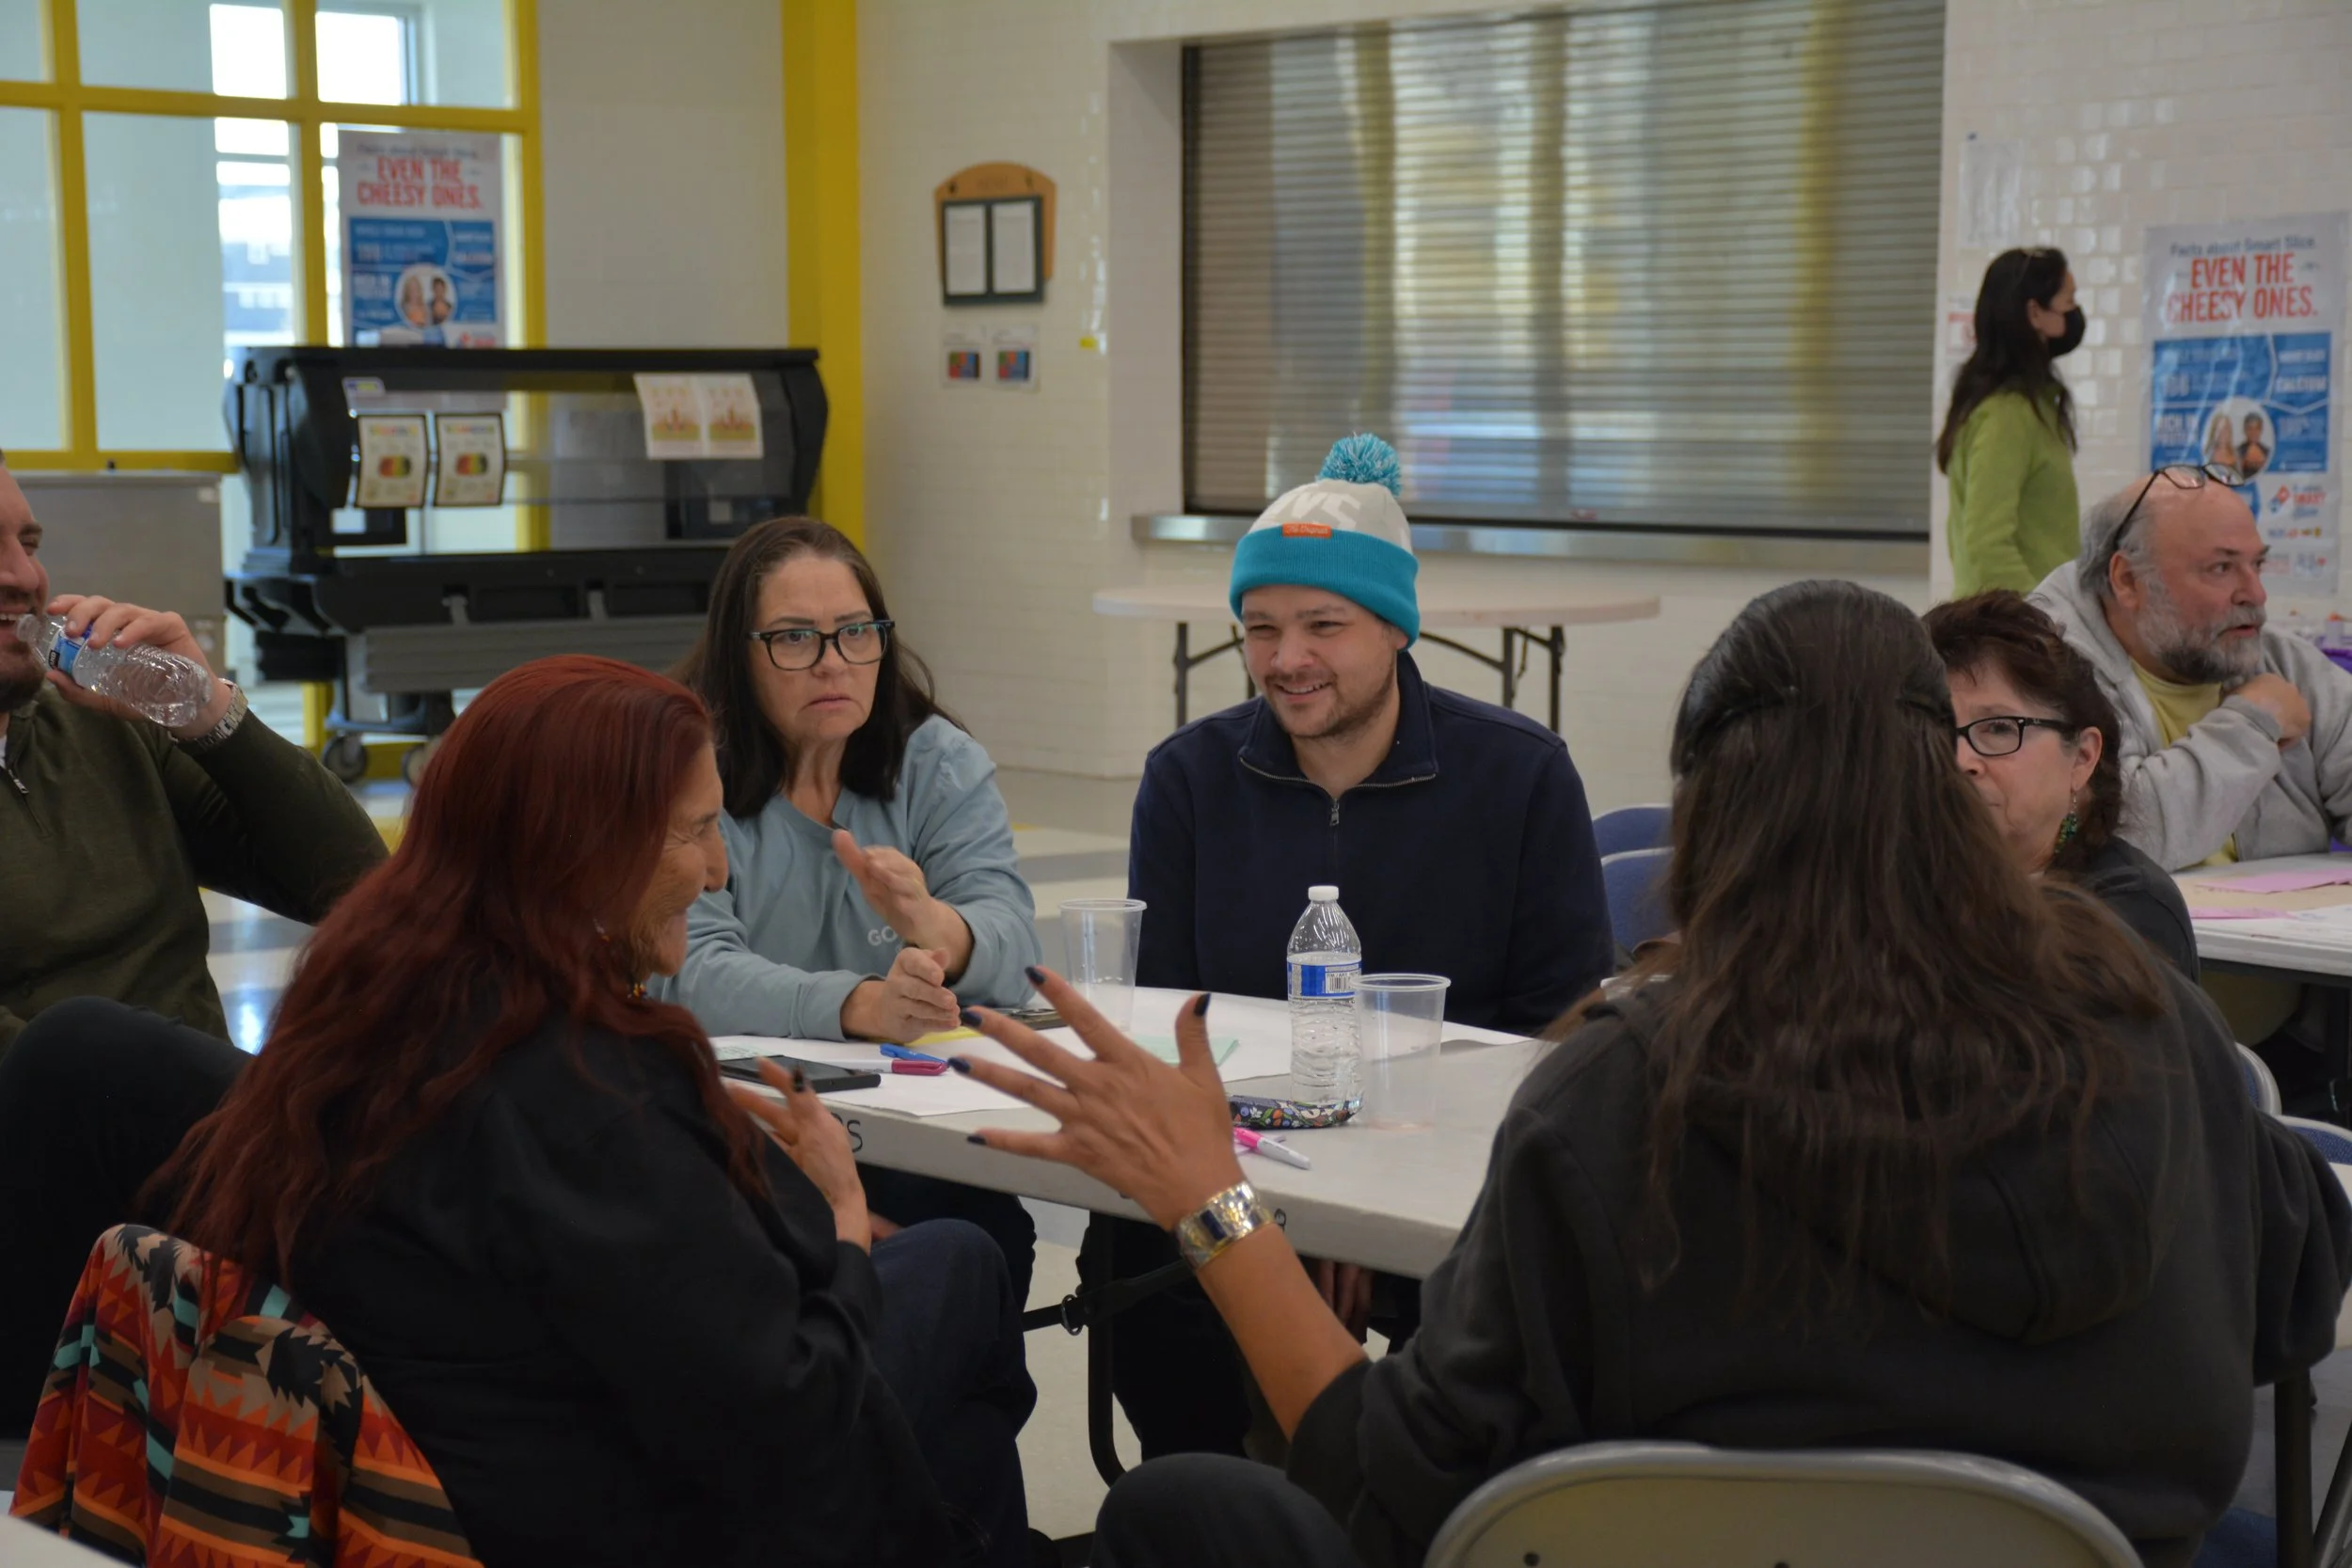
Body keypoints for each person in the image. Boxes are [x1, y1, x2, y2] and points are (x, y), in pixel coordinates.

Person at [955, 578, 2352, 1568]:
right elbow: (2295, 1294)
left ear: (1711, 817)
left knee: (1185, 1510)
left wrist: (1214, 1201)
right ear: (1946, 779)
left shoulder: (1622, 1094)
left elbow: (1395, 1484)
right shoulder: (2148, 1030)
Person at [160, 657, 1038, 1568]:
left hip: (431, 1486)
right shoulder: (585, 1086)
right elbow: (784, 1413)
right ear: (584, 845)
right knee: (964, 1271)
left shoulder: (364, 1002)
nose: (717, 869)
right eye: (695, 830)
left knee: (952, 1392)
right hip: (614, 1512)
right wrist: (845, 1223)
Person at [1108, 433, 1613, 1459]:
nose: (1286, 659)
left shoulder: (1518, 778)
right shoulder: (1188, 782)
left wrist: (1365, 1199)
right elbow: (1171, 1036)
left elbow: (1561, 1042)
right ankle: (1209, 1504)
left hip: (1455, 1179)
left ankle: (1411, 1513)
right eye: (1260, 628)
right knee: (1132, 1250)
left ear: (1394, 628)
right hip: (1251, 1165)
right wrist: (1287, 1209)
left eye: (1322, 625)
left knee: (1522, 1308)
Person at [0, 452, 385, 1436]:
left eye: (30, 542)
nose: (25, 578)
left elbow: (355, 886)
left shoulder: (96, 725)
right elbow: (42, 1078)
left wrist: (211, 714)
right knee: (81, 1044)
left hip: (220, 1165)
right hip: (62, 1194)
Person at [663, 517, 1041, 1295]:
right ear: (741, 653)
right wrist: (865, 1003)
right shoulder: (690, 770)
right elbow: (694, 973)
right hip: (741, 1132)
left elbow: (1014, 943)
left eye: (855, 633)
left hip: (918, 1132)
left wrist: (940, 929)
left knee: (990, 1235)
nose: (833, 663)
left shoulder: (935, 760)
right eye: (796, 638)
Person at [2030, 466, 2352, 872]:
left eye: (2257, 565)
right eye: (2221, 568)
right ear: (2128, 580)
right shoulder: (2043, 676)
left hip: (2296, 933)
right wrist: (2252, 725)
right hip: (2120, 934)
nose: (2255, 593)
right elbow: (2116, 837)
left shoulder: (2285, 665)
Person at [1926, 590, 2197, 976]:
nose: (1960, 760)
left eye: (2000, 729)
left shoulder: (2130, 910)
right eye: (1938, 728)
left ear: (2082, 758)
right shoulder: (1905, 880)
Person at [1938, 246, 2087, 596]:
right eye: (2069, 302)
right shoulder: (2007, 415)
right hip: (2011, 631)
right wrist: (2047, 616)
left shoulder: (2030, 406)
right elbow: (1986, 544)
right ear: (2035, 313)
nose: (2076, 314)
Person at [2240, 411, 2272, 478]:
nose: (2253, 432)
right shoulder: (2236, 452)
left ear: (2261, 430)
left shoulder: (2268, 452)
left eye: (2256, 428)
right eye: (2250, 429)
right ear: (2245, 430)